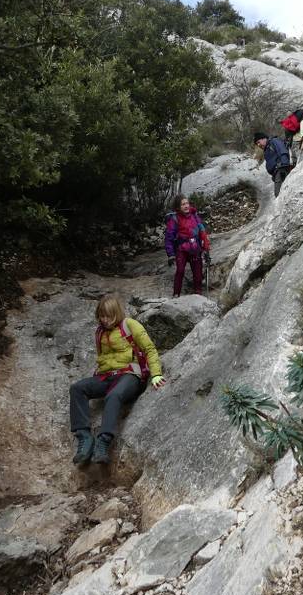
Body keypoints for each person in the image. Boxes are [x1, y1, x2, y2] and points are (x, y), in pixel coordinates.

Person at [70, 294, 164, 465]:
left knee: (113, 395)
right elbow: (102, 358)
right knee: (77, 388)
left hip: (130, 376)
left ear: (116, 313)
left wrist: (156, 373)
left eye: (108, 316)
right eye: (101, 316)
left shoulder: (129, 325)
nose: (104, 320)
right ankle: (84, 437)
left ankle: (103, 442)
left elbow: (149, 348)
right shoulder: (100, 332)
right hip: (106, 376)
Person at [164, 195, 211, 297]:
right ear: (178, 207)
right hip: (182, 250)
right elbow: (168, 238)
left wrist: (206, 246)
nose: (186, 206)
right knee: (180, 271)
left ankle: (198, 294)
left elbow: (202, 232)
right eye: (183, 204)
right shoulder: (174, 219)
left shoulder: (195, 216)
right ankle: (176, 294)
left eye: (187, 203)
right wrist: (171, 254)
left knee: (198, 273)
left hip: (195, 248)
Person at [253, 132, 292, 197]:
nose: (258, 145)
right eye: (257, 144)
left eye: (258, 142)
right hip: (277, 173)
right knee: (280, 195)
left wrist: (284, 166)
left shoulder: (274, 141)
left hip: (281, 170)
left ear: (263, 139)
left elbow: (283, 151)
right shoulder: (267, 149)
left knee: (278, 195)